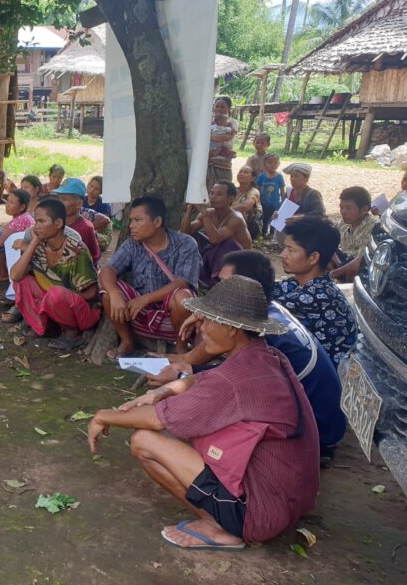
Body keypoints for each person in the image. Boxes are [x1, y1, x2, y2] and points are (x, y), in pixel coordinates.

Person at [87, 276, 319, 549]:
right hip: (290, 502)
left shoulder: (234, 380)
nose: (203, 329)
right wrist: (164, 391)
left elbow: (157, 418)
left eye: (209, 321)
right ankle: (226, 516)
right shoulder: (265, 357)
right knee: (179, 426)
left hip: (259, 515)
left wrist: (103, 416)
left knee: (144, 441)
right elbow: (202, 378)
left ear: (233, 329)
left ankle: (221, 529)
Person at [147, 250, 346, 464]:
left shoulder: (265, 336)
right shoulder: (269, 312)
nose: (217, 290)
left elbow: (236, 381)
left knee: (198, 417)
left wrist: (182, 377)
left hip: (315, 435)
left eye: (224, 284)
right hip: (326, 422)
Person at [100, 196, 200, 357]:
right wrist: (114, 293)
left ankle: (181, 347)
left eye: (138, 220)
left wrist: (145, 299)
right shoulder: (132, 244)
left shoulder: (185, 244)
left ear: (157, 222)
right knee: (107, 294)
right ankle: (127, 342)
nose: (131, 225)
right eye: (131, 220)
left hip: (173, 315)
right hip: (139, 313)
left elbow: (182, 282)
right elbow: (107, 270)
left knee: (183, 296)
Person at [9, 197, 101, 349]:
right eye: (35, 221)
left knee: (56, 294)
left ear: (58, 224)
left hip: (84, 313)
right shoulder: (38, 245)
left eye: (41, 221)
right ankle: (47, 327)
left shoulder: (77, 249)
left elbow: (92, 293)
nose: (36, 227)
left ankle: (72, 334)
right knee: (22, 281)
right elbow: (15, 276)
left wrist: (62, 298)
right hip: (54, 305)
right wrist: (33, 243)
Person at [274, 217, 358, 366]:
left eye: (291, 249)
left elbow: (258, 305)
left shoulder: (316, 296)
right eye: (285, 248)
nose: (283, 254)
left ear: (313, 258)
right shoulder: (298, 284)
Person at [179, 181, 253, 289]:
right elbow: (184, 234)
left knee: (228, 244)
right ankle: (194, 276)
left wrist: (204, 214)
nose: (213, 197)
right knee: (193, 238)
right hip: (218, 258)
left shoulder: (236, 218)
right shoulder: (209, 213)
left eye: (219, 194)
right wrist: (189, 210)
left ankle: (217, 283)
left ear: (231, 199)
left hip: (240, 263)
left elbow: (215, 239)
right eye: (211, 193)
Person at [330, 186, 379, 283]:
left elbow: (359, 261)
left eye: (348, 208)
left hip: (362, 269)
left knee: (353, 268)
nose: (343, 212)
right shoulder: (343, 223)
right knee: (321, 250)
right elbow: (329, 242)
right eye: (341, 207)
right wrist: (340, 264)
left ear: (364, 209)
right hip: (344, 261)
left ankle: (348, 289)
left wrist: (333, 273)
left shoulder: (374, 226)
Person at [52, 178, 101, 264]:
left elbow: (88, 260)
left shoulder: (85, 228)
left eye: (64, 199)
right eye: (58, 198)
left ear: (79, 204)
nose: (58, 203)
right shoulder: (55, 222)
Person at [0, 189, 35, 283]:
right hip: (24, 252)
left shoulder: (20, 220)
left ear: (22, 207)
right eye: (7, 201)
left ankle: (3, 274)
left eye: (11, 202)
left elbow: (0, 241)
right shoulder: (24, 217)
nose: (7, 204)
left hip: (21, 254)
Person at [207, 95, 239, 186]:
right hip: (209, 160)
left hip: (223, 163)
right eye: (217, 106)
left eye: (222, 106)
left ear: (229, 109)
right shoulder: (208, 122)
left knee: (223, 188)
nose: (219, 109)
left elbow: (226, 137)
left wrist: (208, 136)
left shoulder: (232, 123)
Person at [255, 153, 285, 237]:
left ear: (279, 164)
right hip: (263, 203)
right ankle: (263, 232)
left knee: (274, 218)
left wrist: (283, 202)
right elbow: (257, 189)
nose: (273, 165)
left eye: (275, 162)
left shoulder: (279, 177)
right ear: (265, 164)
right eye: (270, 162)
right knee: (264, 218)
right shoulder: (262, 176)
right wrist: (257, 201)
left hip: (275, 203)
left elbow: (282, 190)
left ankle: (272, 233)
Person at [233, 165, 262, 241]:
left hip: (250, 226)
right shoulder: (233, 190)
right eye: (240, 172)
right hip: (233, 221)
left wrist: (225, 211)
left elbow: (246, 206)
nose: (241, 174)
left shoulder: (254, 191)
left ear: (253, 178)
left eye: (245, 172)